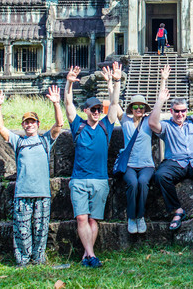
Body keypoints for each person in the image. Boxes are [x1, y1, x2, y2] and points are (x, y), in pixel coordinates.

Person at [0, 85, 63, 267]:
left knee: (40, 230)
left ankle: (38, 259)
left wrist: (56, 104)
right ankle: (22, 260)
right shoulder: (18, 142)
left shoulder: (45, 141)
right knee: (22, 230)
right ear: (23, 125)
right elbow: (0, 128)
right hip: (23, 193)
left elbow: (59, 125)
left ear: (38, 124)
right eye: (26, 122)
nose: (29, 124)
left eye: (32, 122)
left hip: (42, 193)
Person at [64, 63, 121, 268]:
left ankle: (87, 256)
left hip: (100, 179)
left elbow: (114, 104)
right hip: (79, 179)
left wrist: (114, 82)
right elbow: (68, 104)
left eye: (99, 109)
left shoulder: (106, 126)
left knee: (93, 220)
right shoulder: (78, 126)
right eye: (93, 109)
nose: (97, 112)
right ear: (86, 110)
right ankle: (91, 255)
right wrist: (69, 84)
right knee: (81, 218)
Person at [150, 64, 193, 232]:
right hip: (176, 162)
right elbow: (152, 123)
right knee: (160, 175)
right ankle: (177, 209)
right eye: (177, 111)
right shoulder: (167, 126)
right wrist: (160, 101)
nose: (180, 114)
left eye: (183, 111)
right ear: (171, 111)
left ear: (187, 111)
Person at [118, 94, 155, 235]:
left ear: (145, 108)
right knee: (132, 183)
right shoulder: (125, 121)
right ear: (131, 108)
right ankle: (131, 217)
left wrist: (163, 80)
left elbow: (158, 108)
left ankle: (140, 216)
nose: (138, 109)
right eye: (135, 106)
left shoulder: (148, 121)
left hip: (147, 165)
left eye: (141, 106)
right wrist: (113, 83)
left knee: (143, 182)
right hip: (129, 164)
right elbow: (114, 104)